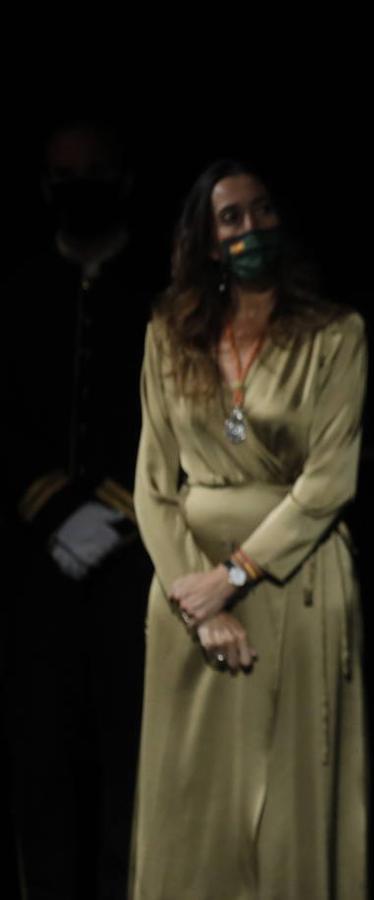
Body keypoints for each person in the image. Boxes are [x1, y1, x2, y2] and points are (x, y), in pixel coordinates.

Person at [130, 160, 368, 899]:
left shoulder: (334, 333)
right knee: (187, 795)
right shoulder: (170, 335)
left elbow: (329, 481)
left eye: (261, 211)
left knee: (292, 797)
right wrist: (193, 597)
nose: (250, 228)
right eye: (231, 218)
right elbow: (151, 484)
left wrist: (235, 576)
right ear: (206, 239)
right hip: (187, 591)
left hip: (292, 578)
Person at [2, 120, 156, 899]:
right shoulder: (22, 287)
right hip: (39, 561)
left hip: (136, 554)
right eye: (63, 174)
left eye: (93, 171)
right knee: (45, 754)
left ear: (123, 180)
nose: (78, 187)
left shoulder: (159, 288)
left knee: (127, 750)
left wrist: (117, 509)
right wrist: (53, 507)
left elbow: (173, 415)